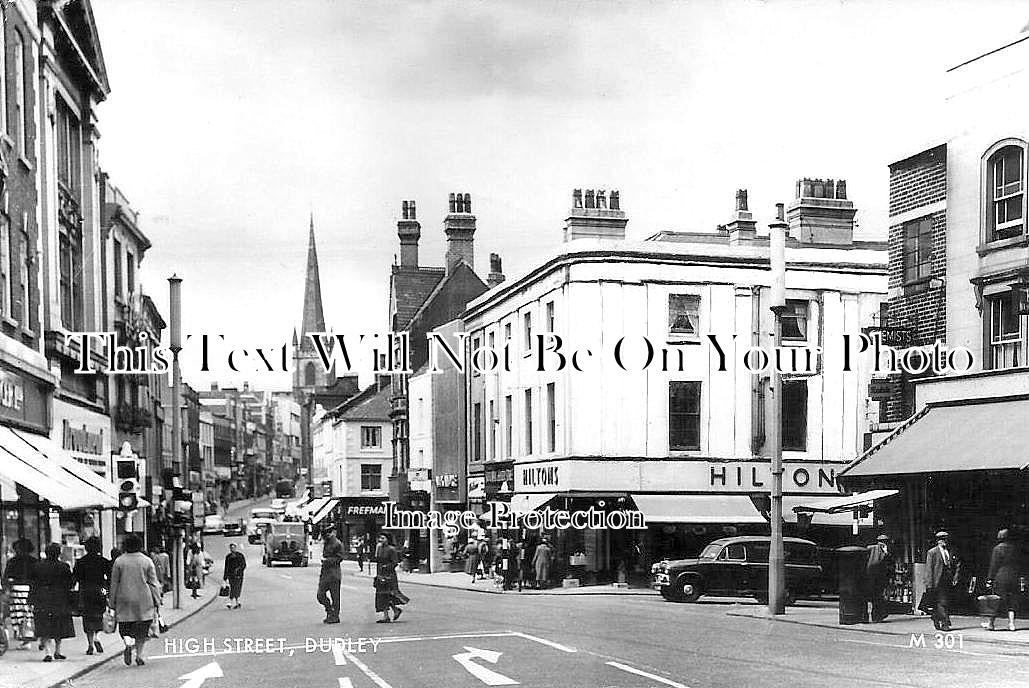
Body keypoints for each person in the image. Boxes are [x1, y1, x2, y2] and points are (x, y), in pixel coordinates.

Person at [110, 533, 162, 667]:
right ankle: (139, 655)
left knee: (125, 627)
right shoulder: (146, 561)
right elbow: (153, 583)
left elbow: (114, 583)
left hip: (124, 598)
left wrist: (112, 602)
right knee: (142, 629)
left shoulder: (119, 561)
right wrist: (157, 600)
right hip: (144, 599)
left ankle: (128, 643)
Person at [29, 543, 75, 662]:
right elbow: (71, 583)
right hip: (60, 598)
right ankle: (58, 651)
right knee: (59, 624)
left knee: (44, 624)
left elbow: (33, 583)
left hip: (42, 598)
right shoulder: (64, 566)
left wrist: (31, 599)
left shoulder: (38, 566)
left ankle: (48, 652)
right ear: (58, 553)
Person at [73, 537, 111, 655]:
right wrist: (107, 592)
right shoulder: (104, 561)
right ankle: (96, 637)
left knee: (87, 617)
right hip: (100, 590)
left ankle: (90, 643)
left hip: (85, 591)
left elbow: (76, 578)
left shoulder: (80, 562)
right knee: (99, 614)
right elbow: (109, 578)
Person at [2, 538, 38, 650]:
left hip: (16, 590)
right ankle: (31, 636)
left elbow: (6, 578)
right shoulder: (34, 561)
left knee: (18, 615)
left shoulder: (12, 561)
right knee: (29, 614)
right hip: (30, 590)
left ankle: (24, 639)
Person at [986, 529, 1023, 632]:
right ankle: (1011, 624)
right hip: (1013, 577)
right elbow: (1019, 564)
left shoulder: (997, 549)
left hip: (1000, 577)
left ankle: (991, 624)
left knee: (996, 601)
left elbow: (993, 566)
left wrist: (989, 579)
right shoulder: (1014, 549)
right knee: (1012, 601)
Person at [925, 531, 959, 631]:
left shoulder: (950, 551)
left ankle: (936, 618)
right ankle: (945, 623)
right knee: (942, 602)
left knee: (943, 602)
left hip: (947, 580)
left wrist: (955, 577)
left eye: (945, 539)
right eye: (942, 539)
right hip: (937, 581)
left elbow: (956, 564)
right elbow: (929, 568)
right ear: (938, 541)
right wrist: (929, 584)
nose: (944, 542)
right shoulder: (932, 552)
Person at [373, 533, 409, 623]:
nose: (381, 540)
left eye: (383, 538)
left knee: (389, 594)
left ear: (388, 539)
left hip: (389, 575)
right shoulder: (379, 548)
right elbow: (377, 560)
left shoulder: (391, 549)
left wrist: (387, 567)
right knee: (381, 595)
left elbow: (395, 562)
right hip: (380, 574)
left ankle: (394, 611)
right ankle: (387, 615)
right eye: (380, 538)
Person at [865, 534, 894, 623]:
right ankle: (877, 616)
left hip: (875, 576)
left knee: (877, 597)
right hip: (877, 577)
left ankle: (877, 615)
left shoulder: (871, 548)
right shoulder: (877, 549)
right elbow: (882, 561)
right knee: (878, 597)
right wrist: (886, 553)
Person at [317, 530, 345, 624]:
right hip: (325, 573)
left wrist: (326, 560)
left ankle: (335, 616)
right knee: (320, 595)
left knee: (335, 597)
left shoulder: (337, 544)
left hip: (334, 574)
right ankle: (329, 610)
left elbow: (339, 558)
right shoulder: (327, 542)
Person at [223, 543, 247, 609]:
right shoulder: (228, 557)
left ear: (236, 548)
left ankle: (232, 601)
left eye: (233, 548)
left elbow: (244, 565)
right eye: (231, 548)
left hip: (239, 575)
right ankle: (236, 602)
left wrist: (239, 570)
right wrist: (225, 576)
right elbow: (226, 567)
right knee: (233, 587)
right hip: (231, 575)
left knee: (237, 587)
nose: (232, 549)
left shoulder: (240, 555)